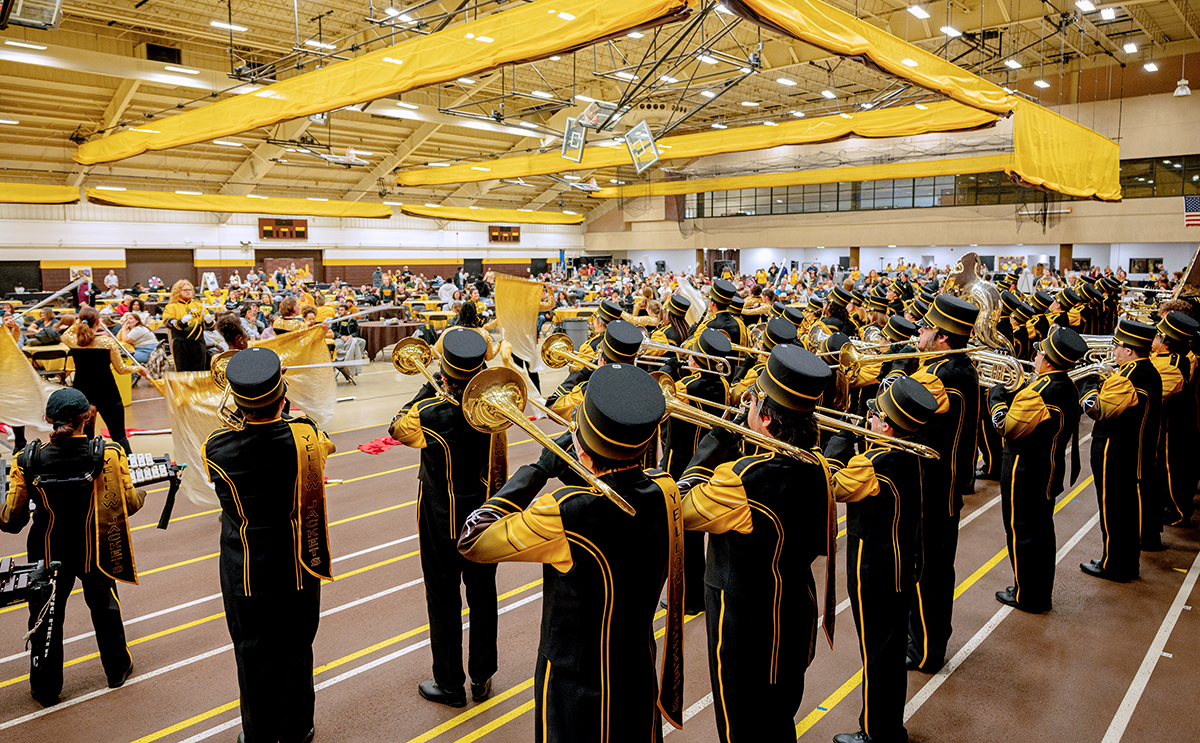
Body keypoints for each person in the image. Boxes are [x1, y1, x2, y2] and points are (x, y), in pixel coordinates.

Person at [458, 363, 683, 741]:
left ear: (581, 446)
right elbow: (622, 494)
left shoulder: (562, 512)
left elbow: (473, 539)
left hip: (574, 688)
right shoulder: (667, 489)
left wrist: (538, 469)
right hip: (636, 671)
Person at [677, 345, 836, 742]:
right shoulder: (820, 466)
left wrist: (715, 440)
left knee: (741, 728)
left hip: (744, 630)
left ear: (765, 418)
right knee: (779, 719)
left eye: (752, 403)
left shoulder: (739, 480)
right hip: (795, 617)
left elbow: (678, 508)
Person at [201, 348, 335, 743]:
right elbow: (325, 448)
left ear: (240, 402)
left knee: (252, 651)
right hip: (298, 559)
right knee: (297, 646)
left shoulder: (216, 448)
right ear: (283, 396)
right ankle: (299, 727)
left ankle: (259, 734)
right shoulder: (306, 436)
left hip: (246, 567)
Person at [1, 388, 144, 705]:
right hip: (93, 545)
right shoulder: (109, 453)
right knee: (105, 608)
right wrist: (142, 491)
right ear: (88, 416)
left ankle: (45, 688)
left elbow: (11, 520)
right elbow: (130, 504)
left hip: (48, 549)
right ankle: (117, 669)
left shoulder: (25, 460)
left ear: (49, 420)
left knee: (46, 616)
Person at [389, 329, 500, 707]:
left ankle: (450, 684)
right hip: (485, 513)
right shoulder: (496, 405)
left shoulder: (429, 412)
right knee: (483, 595)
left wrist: (428, 389)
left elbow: (396, 427)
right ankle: (482, 677)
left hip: (439, 515)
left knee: (443, 597)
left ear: (445, 375)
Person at [824, 378, 938, 743]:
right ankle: (888, 727)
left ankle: (878, 732)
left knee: (877, 653)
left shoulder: (872, 463)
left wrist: (838, 444)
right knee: (888, 651)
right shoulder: (910, 452)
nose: (868, 418)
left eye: (874, 414)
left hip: (874, 568)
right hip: (901, 564)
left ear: (886, 425)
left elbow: (828, 485)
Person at [883, 294, 979, 673]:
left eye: (925, 327)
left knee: (926, 569)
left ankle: (924, 648)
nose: (919, 331)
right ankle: (927, 638)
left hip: (931, 486)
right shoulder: (958, 367)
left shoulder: (942, 376)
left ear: (941, 337)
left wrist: (897, 370)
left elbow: (895, 410)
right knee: (936, 567)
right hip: (944, 483)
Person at [987, 327, 1087, 613]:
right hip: (1048, 467)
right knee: (1041, 533)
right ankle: (1035, 589)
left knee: (1023, 533)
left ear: (1049, 360)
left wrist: (996, 398)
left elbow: (1006, 428)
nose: (1036, 355)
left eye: (1040, 352)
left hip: (1025, 470)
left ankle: (1028, 595)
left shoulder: (1039, 392)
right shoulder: (1065, 385)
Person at [1078, 319, 1161, 582]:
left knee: (1114, 511)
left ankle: (1115, 564)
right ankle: (1121, 560)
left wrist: (1088, 384)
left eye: (1118, 347)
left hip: (1116, 452)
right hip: (1134, 451)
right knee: (1124, 509)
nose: (1114, 352)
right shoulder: (1149, 370)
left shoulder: (1128, 376)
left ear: (1128, 350)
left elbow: (1098, 409)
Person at [659, 328, 732, 616]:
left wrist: (671, 368)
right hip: (710, 462)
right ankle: (698, 591)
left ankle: (689, 598)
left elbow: (664, 420)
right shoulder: (722, 385)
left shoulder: (686, 387)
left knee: (683, 536)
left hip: (682, 464)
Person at [61, 307, 146, 453]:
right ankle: (131, 468)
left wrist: (79, 321)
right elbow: (121, 369)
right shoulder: (108, 342)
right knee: (119, 436)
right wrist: (138, 369)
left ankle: (88, 468)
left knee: (86, 438)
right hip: (108, 393)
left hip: (83, 395)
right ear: (98, 322)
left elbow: (65, 334)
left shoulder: (73, 341)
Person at [1151, 311, 1200, 528]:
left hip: (1174, 425)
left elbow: (1156, 395)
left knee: (1173, 468)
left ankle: (1177, 511)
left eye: (1156, 335)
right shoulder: (1176, 357)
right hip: (1174, 422)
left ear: (1166, 341)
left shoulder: (1174, 364)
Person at [162, 279, 211, 372]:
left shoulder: (199, 305)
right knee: (183, 371)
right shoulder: (171, 306)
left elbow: (210, 326)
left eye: (190, 290)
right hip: (181, 343)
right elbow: (167, 322)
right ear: (177, 292)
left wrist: (209, 320)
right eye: (185, 290)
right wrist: (180, 322)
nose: (188, 292)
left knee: (200, 370)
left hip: (198, 342)